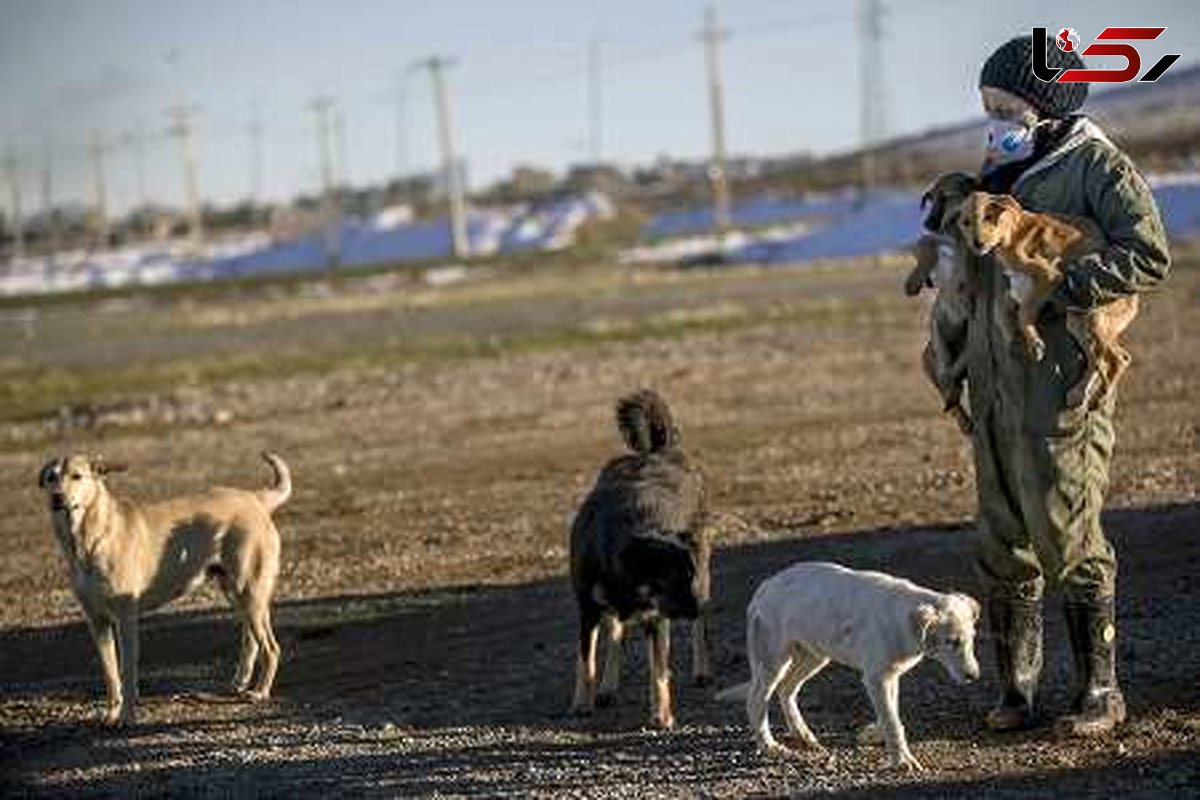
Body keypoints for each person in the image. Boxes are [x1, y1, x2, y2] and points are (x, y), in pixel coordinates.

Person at [948, 34, 1171, 737]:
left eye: (1006, 104)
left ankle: (1100, 691)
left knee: (1068, 533)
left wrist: (1067, 287)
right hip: (993, 385)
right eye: (986, 105)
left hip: (1060, 385)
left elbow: (1148, 254)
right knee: (1002, 538)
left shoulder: (1097, 168)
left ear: (1047, 106)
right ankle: (1017, 691)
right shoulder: (1002, 168)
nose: (994, 118)